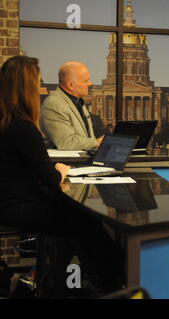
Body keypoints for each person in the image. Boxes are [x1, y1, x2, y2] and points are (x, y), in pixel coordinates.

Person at [0, 56, 122, 295]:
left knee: (77, 218)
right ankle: (110, 282)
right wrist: (58, 170)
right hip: (19, 207)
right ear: (27, 89)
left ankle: (61, 280)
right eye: (36, 84)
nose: (40, 90)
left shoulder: (7, 123)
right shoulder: (23, 128)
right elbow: (50, 179)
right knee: (88, 221)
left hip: (9, 203)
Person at [41, 61, 103, 150]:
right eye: (86, 81)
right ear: (70, 85)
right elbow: (67, 143)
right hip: (66, 163)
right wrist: (97, 142)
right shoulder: (54, 104)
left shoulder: (78, 101)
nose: (90, 83)